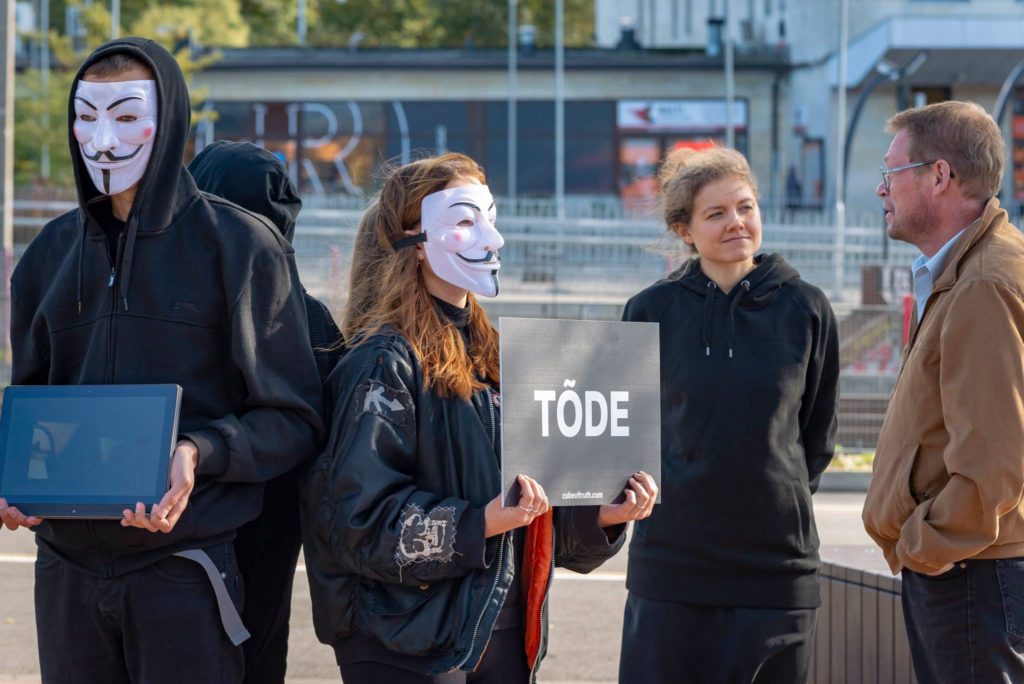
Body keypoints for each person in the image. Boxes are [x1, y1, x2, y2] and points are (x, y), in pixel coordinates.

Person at [0, 38, 324, 684]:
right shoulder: (47, 257)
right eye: (87, 116)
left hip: (185, 571)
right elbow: (31, 411)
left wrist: (200, 452)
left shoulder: (241, 250)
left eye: (124, 116)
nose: (102, 139)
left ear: (168, 118)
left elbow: (295, 418)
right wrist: (16, 477)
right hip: (66, 578)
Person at [300, 152, 658, 683]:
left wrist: (599, 514)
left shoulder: (506, 357)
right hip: (405, 640)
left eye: (490, 217)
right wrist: (481, 523)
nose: (494, 239)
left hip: (503, 629)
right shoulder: (383, 363)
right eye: (466, 221)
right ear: (415, 243)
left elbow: (533, 514)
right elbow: (358, 523)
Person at [618, 146, 839, 684]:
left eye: (745, 207)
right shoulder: (648, 312)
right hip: (671, 568)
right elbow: (626, 433)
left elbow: (816, 436)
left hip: (776, 571)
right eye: (716, 213)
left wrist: (773, 496)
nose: (737, 222)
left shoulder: (807, 308)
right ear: (684, 230)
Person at [862, 101, 1024, 683]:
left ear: (939, 175)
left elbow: (993, 460)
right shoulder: (971, 269)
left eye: (891, 173)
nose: (881, 191)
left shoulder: (983, 282)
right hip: (968, 569)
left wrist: (924, 546)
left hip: (971, 574)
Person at [188, 140, 342, 684]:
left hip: (185, 524)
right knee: (259, 650)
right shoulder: (311, 313)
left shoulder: (181, 303)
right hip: (277, 527)